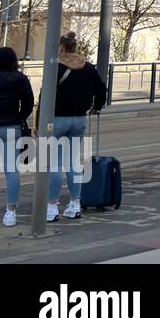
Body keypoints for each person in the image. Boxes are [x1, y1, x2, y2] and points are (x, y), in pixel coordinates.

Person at [48, 33, 107, 220]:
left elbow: (45, 94)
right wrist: (95, 107)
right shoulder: (88, 67)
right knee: (73, 163)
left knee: (54, 164)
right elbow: (101, 90)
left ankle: (51, 207)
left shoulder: (55, 67)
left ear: (62, 48)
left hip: (57, 119)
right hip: (80, 120)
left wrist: (39, 122)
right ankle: (75, 204)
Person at [0, 47, 32, 227]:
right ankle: (10, 213)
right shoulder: (20, 79)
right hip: (11, 127)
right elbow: (29, 102)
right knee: (11, 170)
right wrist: (20, 116)